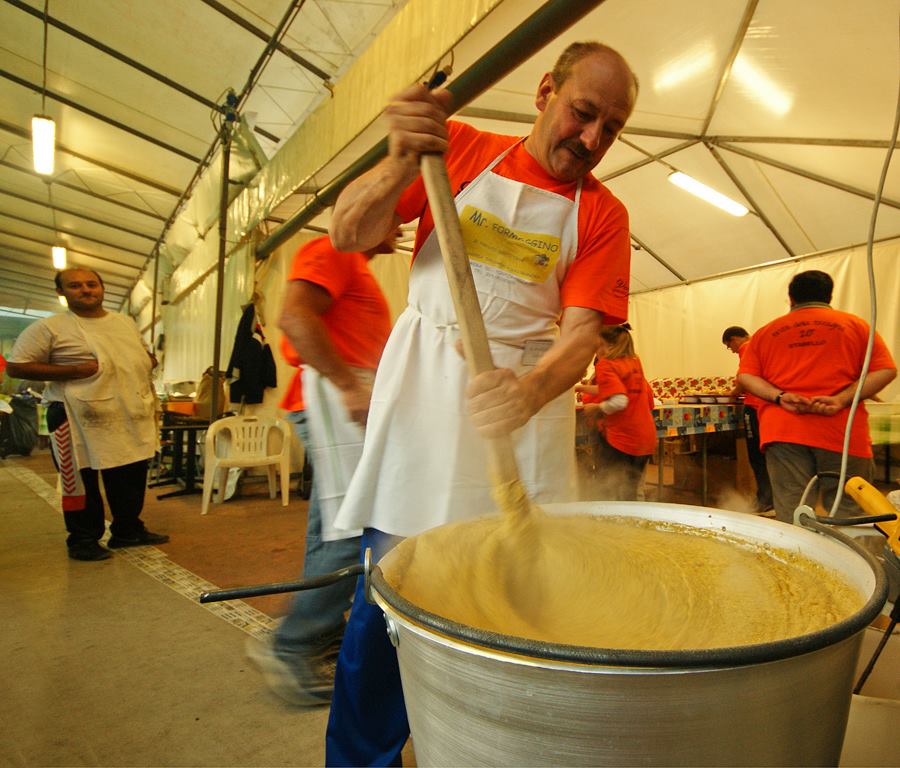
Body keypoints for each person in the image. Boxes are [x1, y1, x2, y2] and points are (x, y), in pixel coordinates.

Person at [325, 41, 639, 766]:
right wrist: (405, 154)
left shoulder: (604, 213)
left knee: (515, 600)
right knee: (389, 599)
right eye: (582, 114)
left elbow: (583, 336)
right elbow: (351, 231)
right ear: (543, 91)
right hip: (428, 394)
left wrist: (528, 391)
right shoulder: (456, 149)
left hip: (523, 410)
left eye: (610, 129)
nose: (591, 140)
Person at [245, 234, 393, 707]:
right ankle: (292, 643)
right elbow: (294, 317)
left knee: (332, 525)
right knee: (355, 527)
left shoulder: (357, 266)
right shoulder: (335, 249)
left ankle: (319, 630)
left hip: (342, 392)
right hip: (334, 394)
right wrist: (349, 386)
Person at [6, 268, 169, 561]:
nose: (85, 290)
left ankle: (127, 530)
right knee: (79, 481)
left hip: (126, 412)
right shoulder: (49, 328)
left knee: (129, 476)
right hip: (74, 415)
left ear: (102, 287)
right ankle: (82, 539)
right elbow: (16, 366)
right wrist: (73, 371)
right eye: (75, 285)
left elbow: (144, 355)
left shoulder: (124, 323)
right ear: (62, 293)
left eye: (91, 284)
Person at [737, 270, 896, 523]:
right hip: (840, 431)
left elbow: (745, 377)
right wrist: (841, 399)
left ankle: (796, 560)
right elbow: (886, 370)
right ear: (829, 295)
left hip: (784, 430)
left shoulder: (766, 332)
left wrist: (780, 396)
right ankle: (850, 561)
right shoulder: (855, 325)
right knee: (848, 509)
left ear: (791, 299)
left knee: (793, 509)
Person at [575, 323, 656, 500]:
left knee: (609, 490)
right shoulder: (634, 361)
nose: (596, 352)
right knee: (630, 492)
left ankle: (609, 526)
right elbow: (617, 389)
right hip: (645, 437)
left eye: (597, 347)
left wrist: (597, 408)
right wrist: (581, 388)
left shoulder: (606, 365)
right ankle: (633, 526)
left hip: (622, 439)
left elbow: (620, 400)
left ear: (609, 346)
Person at [722, 325, 773, 513]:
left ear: (735, 339)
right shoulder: (762, 345)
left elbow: (744, 378)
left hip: (755, 407)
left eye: (730, 346)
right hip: (768, 406)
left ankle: (765, 500)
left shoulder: (746, 347)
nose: (732, 350)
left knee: (756, 455)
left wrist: (732, 394)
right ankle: (769, 498)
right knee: (767, 454)